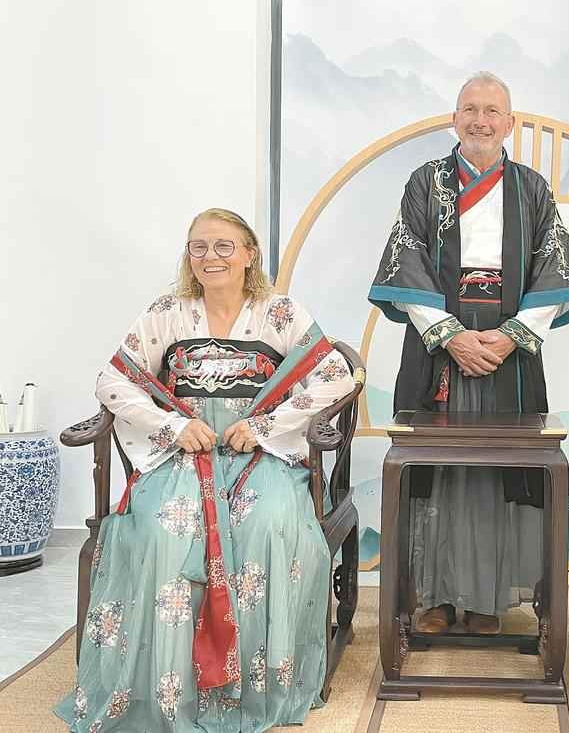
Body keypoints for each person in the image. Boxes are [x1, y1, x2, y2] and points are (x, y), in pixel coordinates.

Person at [56, 209, 356, 732]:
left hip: (260, 456)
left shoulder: (279, 313)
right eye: (198, 246)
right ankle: (167, 684)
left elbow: (336, 377)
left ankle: (256, 686)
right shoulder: (166, 313)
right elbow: (113, 381)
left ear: (249, 254)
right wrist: (171, 426)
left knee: (268, 525)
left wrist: (265, 426)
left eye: (223, 246)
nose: (210, 257)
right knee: (163, 532)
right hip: (183, 456)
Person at [368, 72, 569, 635]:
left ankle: (491, 600)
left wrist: (513, 335)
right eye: (470, 109)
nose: (481, 121)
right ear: (455, 119)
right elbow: (407, 260)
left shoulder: (531, 188)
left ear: (509, 123)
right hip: (439, 352)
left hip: (508, 355)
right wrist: (449, 335)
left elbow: (553, 268)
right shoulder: (425, 183)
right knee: (439, 472)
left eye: (492, 111)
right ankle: (436, 597)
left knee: (498, 473)